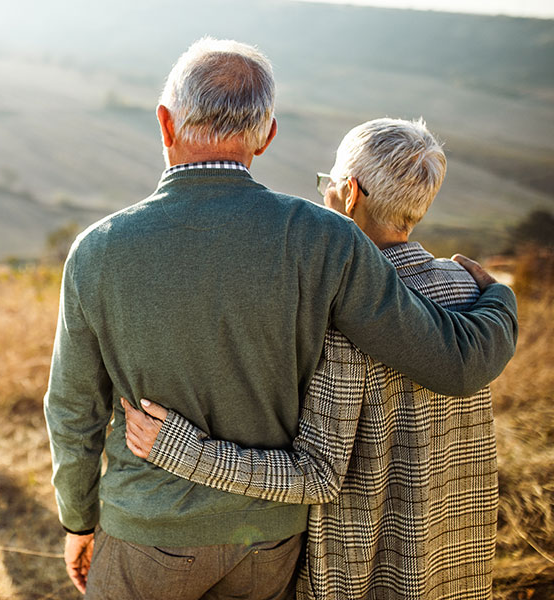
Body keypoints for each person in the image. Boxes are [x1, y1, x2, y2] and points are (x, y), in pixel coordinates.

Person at [43, 38, 518, 599]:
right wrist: (499, 301)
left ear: (165, 124)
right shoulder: (324, 238)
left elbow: (74, 411)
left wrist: (79, 520)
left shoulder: (98, 250)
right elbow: (450, 360)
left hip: (148, 533)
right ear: (267, 136)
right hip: (268, 541)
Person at [122, 118, 503, 600]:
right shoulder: (467, 288)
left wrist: (184, 451)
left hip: (365, 568)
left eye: (326, 184)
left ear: (348, 193)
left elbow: (317, 475)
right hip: (456, 559)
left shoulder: (338, 313)